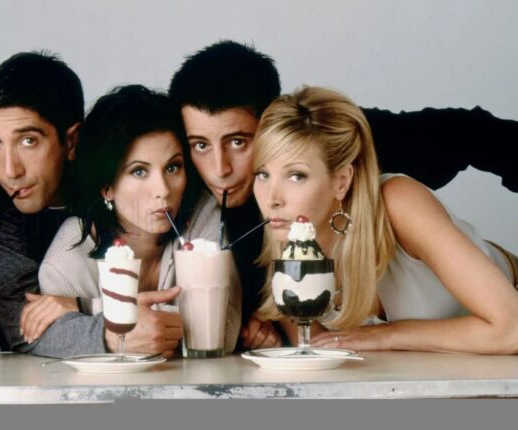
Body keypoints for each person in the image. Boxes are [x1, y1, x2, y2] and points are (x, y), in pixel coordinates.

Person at [167, 39, 518, 350]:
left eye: (238, 142)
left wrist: (384, 336)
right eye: (200, 145)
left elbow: (472, 134)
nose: (219, 170)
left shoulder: (345, 141)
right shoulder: (242, 217)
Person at [251, 86, 518, 354]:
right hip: (433, 370)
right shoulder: (282, 235)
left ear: (341, 181)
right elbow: (317, 351)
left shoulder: (398, 202)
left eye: (296, 176)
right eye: (263, 174)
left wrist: (385, 336)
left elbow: (511, 330)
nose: (272, 198)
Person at [34, 85, 242, 358]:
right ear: (107, 187)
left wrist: (87, 307)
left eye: (172, 167)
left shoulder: (201, 213)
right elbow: (56, 341)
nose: (163, 190)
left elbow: (224, 332)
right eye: (139, 171)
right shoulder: (72, 253)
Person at [0, 51, 82, 353]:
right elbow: (32, 335)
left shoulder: (123, 195)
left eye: (28, 141)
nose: (10, 170)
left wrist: (85, 305)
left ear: (71, 141)